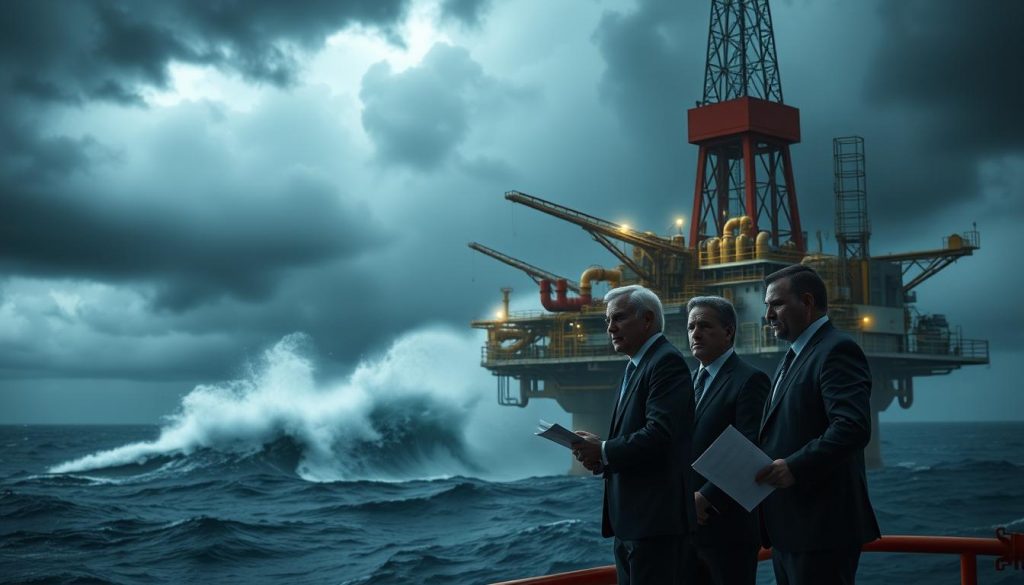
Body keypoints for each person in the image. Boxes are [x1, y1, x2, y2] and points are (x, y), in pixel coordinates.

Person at [755, 265, 880, 585]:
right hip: (792, 527)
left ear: (807, 302)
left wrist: (793, 466)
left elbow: (852, 427)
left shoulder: (836, 350)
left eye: (777, 304)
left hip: (821, 528)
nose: (768, 315)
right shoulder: (796, 355)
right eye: (767, 306)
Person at [572, 284, 695, 585]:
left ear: (648, 319)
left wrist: (602, 450)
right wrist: (599, 456)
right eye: (607, 321)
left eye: (619, 318)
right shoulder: (636, 366)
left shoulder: (665, 362)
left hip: (653, 525)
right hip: (632, 523)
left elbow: (659, 435)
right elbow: (639, 436)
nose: (610, 328)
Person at [683, 296, 769, 585]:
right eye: (691, 326)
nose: (695, 333)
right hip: (685, 525)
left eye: (705, 326)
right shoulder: (689, 383)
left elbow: (750, 446)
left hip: (727, 527)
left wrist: (706, 497)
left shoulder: (750, 380)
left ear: (729, 331)